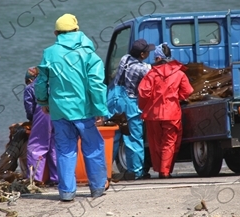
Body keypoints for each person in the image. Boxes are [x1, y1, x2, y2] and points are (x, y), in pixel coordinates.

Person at [34, 13, 109, 201]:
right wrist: (100, 109)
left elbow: (41, 82)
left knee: (65, 150)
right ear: (77, 30)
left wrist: (43, 102)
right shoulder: (89, 53)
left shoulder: (49, 53)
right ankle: (98, 187)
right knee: (93, 146)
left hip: (59, 110)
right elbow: (97, 84)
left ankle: (67, 192)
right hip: (84, 110)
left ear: (56, 33)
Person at [138, 42, 194, 178]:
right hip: (172, 113)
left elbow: (143, 93)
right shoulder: (179, 73)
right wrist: (177, 97)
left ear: (158, 58)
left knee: (155, 143)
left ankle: (160, 169)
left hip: (153, 114)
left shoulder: (151, 74)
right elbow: (188, 91)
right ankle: (165, 171)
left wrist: (145, 106)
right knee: (169, 143)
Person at [108, 39, 155, 179]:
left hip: (113, 100)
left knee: (113, 136)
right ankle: (136, 172)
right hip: (129, 103)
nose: (149, 53)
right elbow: (153, 76)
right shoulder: (142, 69)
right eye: (147, 52)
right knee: (132, 137)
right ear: (142, 54)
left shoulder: (125, 59)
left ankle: (103, 169)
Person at [24, 66, 58, 185]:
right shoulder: (53, 84)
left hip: (43, 115)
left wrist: (31, 120)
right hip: (59, 114)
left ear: (30, 79)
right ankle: (58, 178)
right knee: (55, 146)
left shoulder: (30, 88)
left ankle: (35, 179)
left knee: (37, 147)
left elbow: (29, 109)